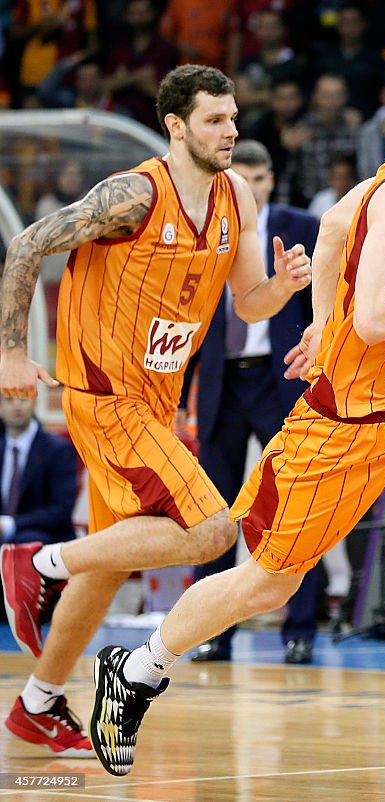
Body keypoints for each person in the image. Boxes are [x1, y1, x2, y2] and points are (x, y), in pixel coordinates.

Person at [89, 72, 385, 777]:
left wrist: (319, 324)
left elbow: (334, 228)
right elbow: (377, 316)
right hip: (341, 431)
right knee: (264, 586)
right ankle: (139, 668)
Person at [0, 64, 311, 759]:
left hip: (158, 404)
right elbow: (27, 244)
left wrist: (285, 288)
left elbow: (248, 303)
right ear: (176, 126)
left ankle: (37, 703)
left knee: (109, 567)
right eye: (214, 120)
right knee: (211, 530)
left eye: (233, 118)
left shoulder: (238, 198)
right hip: (105, 398)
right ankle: (35, 562)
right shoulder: (133, 195)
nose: (230, 131)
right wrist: (11, 354)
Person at [180, 139, 321, 665]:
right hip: (221, 379)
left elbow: (326, 293)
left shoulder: (302, 225)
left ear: (270, 181)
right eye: (242, 179)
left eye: (259, 179)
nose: (251, 189)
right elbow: (192, 312)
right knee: (213, 510)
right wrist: (181, 388)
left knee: (295, 504)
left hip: (282, 377)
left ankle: (300, 629)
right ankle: (211, 631)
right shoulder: (209, 226)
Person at [0, 395, 78, 547]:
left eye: (23, 398)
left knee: (26, 542)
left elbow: (61, 510)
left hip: (44, 538)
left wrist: (10, 524)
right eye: (9, 399)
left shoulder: (58, 450)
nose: (17, 405)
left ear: (35, 402)